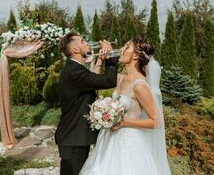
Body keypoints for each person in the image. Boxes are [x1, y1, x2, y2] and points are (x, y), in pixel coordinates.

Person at [80, 38, 172, 175]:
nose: (121, 50)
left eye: (126, 47)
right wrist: (99, 60)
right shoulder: (121, 78)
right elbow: (95, 81)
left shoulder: (140, 85)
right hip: (109, 140)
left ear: (135, 55)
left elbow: (156, 122)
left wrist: (123, 122)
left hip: (129, 143)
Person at [55, 32, 119, 175]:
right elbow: (108, 81)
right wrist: (111, 55)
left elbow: (93, 80)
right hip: (73, 138)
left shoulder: (75, 69)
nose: (88, 43)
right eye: (83, 41)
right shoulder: (74, 71)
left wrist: (101, 61)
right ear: (75, 50)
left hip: (75, 138)